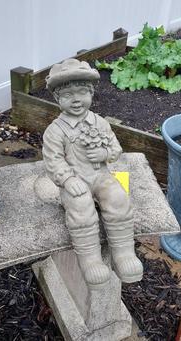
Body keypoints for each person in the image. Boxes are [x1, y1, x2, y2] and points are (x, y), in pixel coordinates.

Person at [43, 58, 143, 289]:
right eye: (68, 96)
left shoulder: (100, 122)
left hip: (101, 176)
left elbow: (116, 149)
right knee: (81, 207)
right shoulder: (55, 131)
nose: (76, 100)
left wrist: (105, 153)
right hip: (76, 180)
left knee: (118, 197)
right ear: (58, 99)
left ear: (91, 93)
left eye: (81, 93)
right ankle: (90, 261)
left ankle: (124, 254)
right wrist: (67, 180)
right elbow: (53, 160)